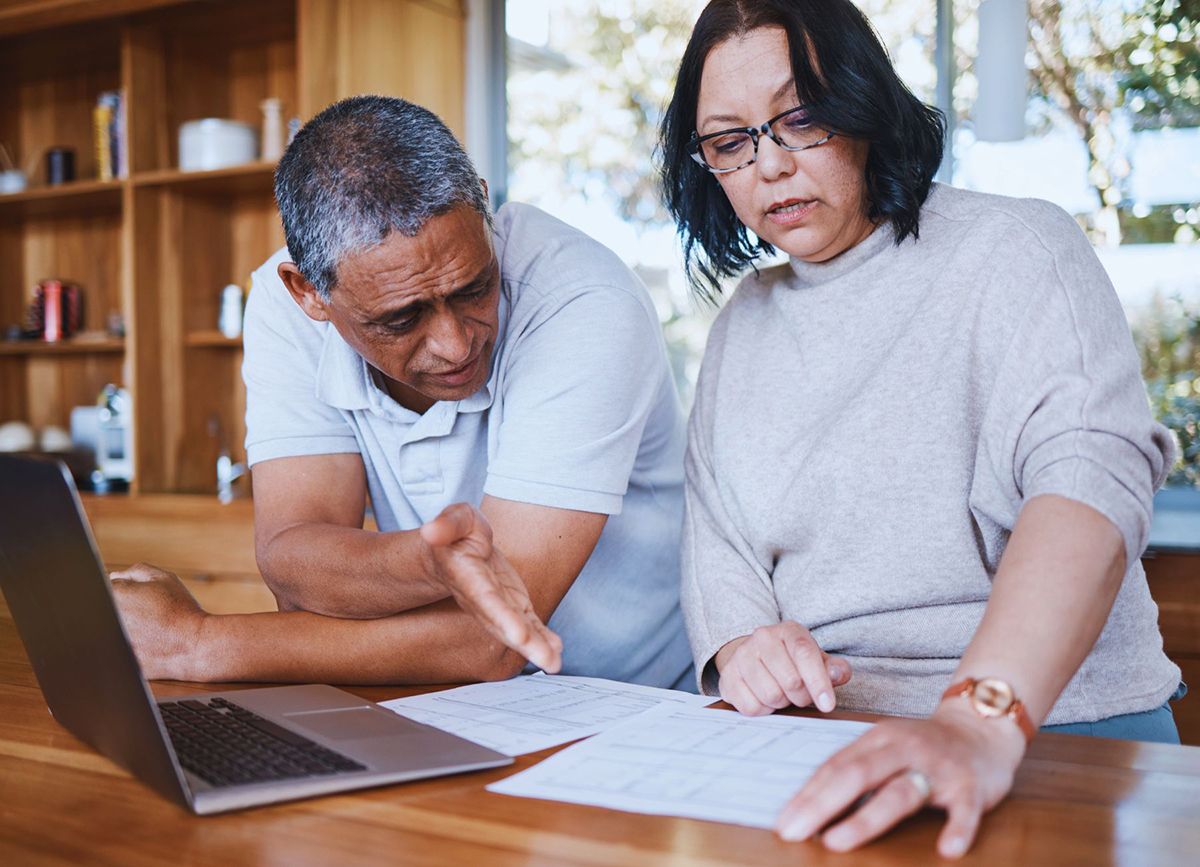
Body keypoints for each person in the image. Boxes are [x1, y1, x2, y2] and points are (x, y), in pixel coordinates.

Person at [659, 0, 1184, 857]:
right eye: (731, 140)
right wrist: (745, 647)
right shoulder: (741, 324)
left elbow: (1091, 481)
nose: (772, 165)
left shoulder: (1017, 248)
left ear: (867, 108)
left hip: (1050, 728)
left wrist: (978, 720)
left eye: (803, 119)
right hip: (822, 740)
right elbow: (718, 540)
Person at [111, 95, 693, 691]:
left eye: (475, 287)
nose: (455, 344)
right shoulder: (282, 306)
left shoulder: (582, 301)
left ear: (484, 209)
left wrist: (195, 643)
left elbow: (494, 641)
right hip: (447, 702)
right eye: (400, 319)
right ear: (309, 294)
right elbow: (293, 563)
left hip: (638, 703)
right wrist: (424, 563)